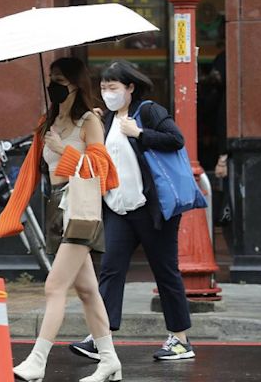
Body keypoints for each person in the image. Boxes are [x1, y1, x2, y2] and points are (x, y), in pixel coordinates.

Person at [0, 57, 121, 382]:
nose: (54, 84)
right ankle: (109, 361)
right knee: (88, 291)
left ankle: (37, 361)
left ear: (76, 83)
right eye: (51, 77)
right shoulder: (48, 121)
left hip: (81, 209)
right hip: (57, 209)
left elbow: (100, 168)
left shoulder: (90, 120)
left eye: (60, 78)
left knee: (54, 287)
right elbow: (35, 170)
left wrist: (64, 149)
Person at [69, 60, 195, 361]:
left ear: (130, 87)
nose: (107, 92)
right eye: (103, 87)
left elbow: (176, 139)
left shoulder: (148, 111)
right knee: (111, 270)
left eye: (113, 87)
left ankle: (180, 340)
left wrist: (139, 133)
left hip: (151, 210)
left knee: (165, 272)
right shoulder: (108, 119)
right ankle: (102, 337)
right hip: (119, 208)